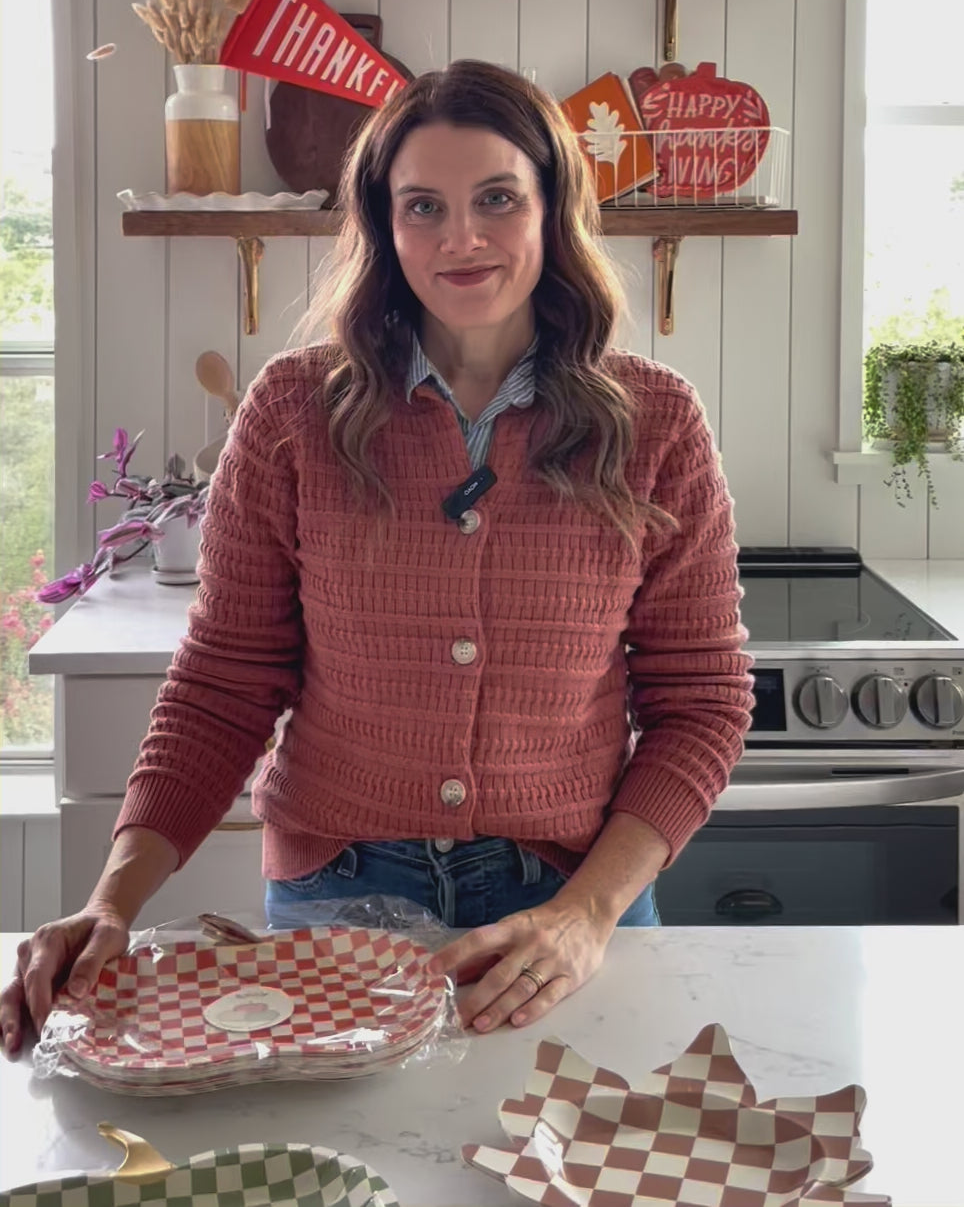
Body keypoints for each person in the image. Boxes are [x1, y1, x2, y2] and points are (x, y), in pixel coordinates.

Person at [1, 60, 753, 1057]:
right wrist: (111, 901)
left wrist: (587, 914)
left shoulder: (652, 420)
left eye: (496, 198)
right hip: (338, 899)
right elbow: (224, 684)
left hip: (564, 906)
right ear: (384, 226)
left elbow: (701, 701)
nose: (461, 238)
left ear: (552, 206)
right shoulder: (293, 411)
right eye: (422, 207)